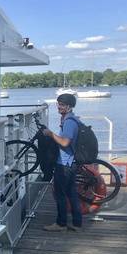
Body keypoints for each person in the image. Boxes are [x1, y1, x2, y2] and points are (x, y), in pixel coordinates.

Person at [42, 93, 82, 232]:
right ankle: (77, 224)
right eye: (58, 103)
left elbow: (65, 143)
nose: (59, 106)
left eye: (62, 104)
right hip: (71, 163)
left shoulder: (70, 122)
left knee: (60, 194)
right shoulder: (70, 119)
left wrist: (51, 134)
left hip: (64, 164)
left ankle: (61, 224)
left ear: (69, 106)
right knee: (72, 193)